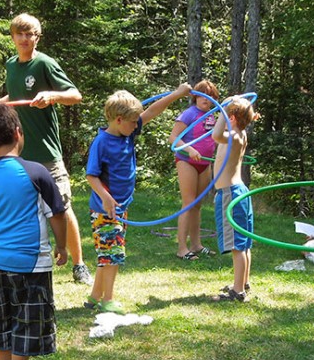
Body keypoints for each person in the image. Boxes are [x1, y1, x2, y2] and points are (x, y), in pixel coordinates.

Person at [0, 102, 68, 360]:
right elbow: (58, 214)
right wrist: (63, 247)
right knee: (27, 322)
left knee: (2, 319)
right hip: (31, 264)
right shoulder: (36, 172)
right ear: (18, 133)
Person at [85, 85, 191, 313]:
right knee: (113, 255)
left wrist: (177, 94)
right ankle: (108, 300)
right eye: (134, 122)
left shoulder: (128, 132)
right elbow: (91, 176)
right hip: (106, 209)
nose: (137, 125)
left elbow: (152, 112)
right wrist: (106, 198)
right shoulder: (101, 142)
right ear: (119, 120)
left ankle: (94, 296)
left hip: (121, 207)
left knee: (108, 252)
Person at [3, 13, 92, 285]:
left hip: (47, 154)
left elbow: (75, 95)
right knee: (25, 211)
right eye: (20, 34)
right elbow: (16, 97)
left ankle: (79, 265)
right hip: (21, 155)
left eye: (30, 34)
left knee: (61, 209)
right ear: (13, 37)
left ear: (37, 37)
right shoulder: (11, 65)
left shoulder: (44, 64)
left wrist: (53, 96)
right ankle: (27, 264)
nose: (24, 39)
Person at [210, 96, 259, 302]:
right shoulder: (240, 134)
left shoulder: (235, 135)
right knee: (244, 242)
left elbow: (215, 134)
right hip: (239, 191)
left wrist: (222, 108)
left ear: (232, 117)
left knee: (237, 245)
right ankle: (243, 282)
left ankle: (237, 292)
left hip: (230, 193)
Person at [168, 79, 221, 260]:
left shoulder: (214, 115)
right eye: (204, 96)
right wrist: (190, 149)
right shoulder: (189, 114)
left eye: (212, 96)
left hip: (205, 163)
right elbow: (173, 138)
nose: (208, 99)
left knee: (197, 206)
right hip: (186, 161)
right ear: (196, 97)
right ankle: (182, 248)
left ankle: (196, 245)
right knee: (188, 203)